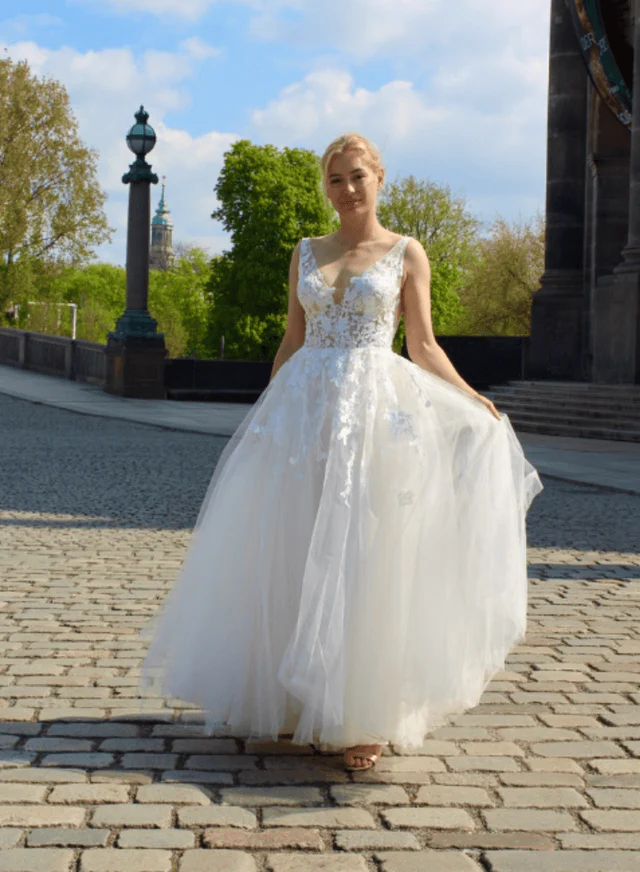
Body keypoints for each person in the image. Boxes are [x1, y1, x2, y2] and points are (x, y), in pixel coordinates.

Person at [139, 132, 543, 772]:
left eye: (357, 175)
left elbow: (424, 345)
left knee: (367, 552)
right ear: (326, 188)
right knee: (293, 547)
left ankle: (363, 714)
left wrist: (473, 400)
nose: (347, 189)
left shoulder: (407, 253)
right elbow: (292, 341)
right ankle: (292, 701)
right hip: (303, 417)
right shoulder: (303, 252)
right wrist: (265, 414)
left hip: (376, 417)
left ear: (379, 178)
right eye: (335, 179)